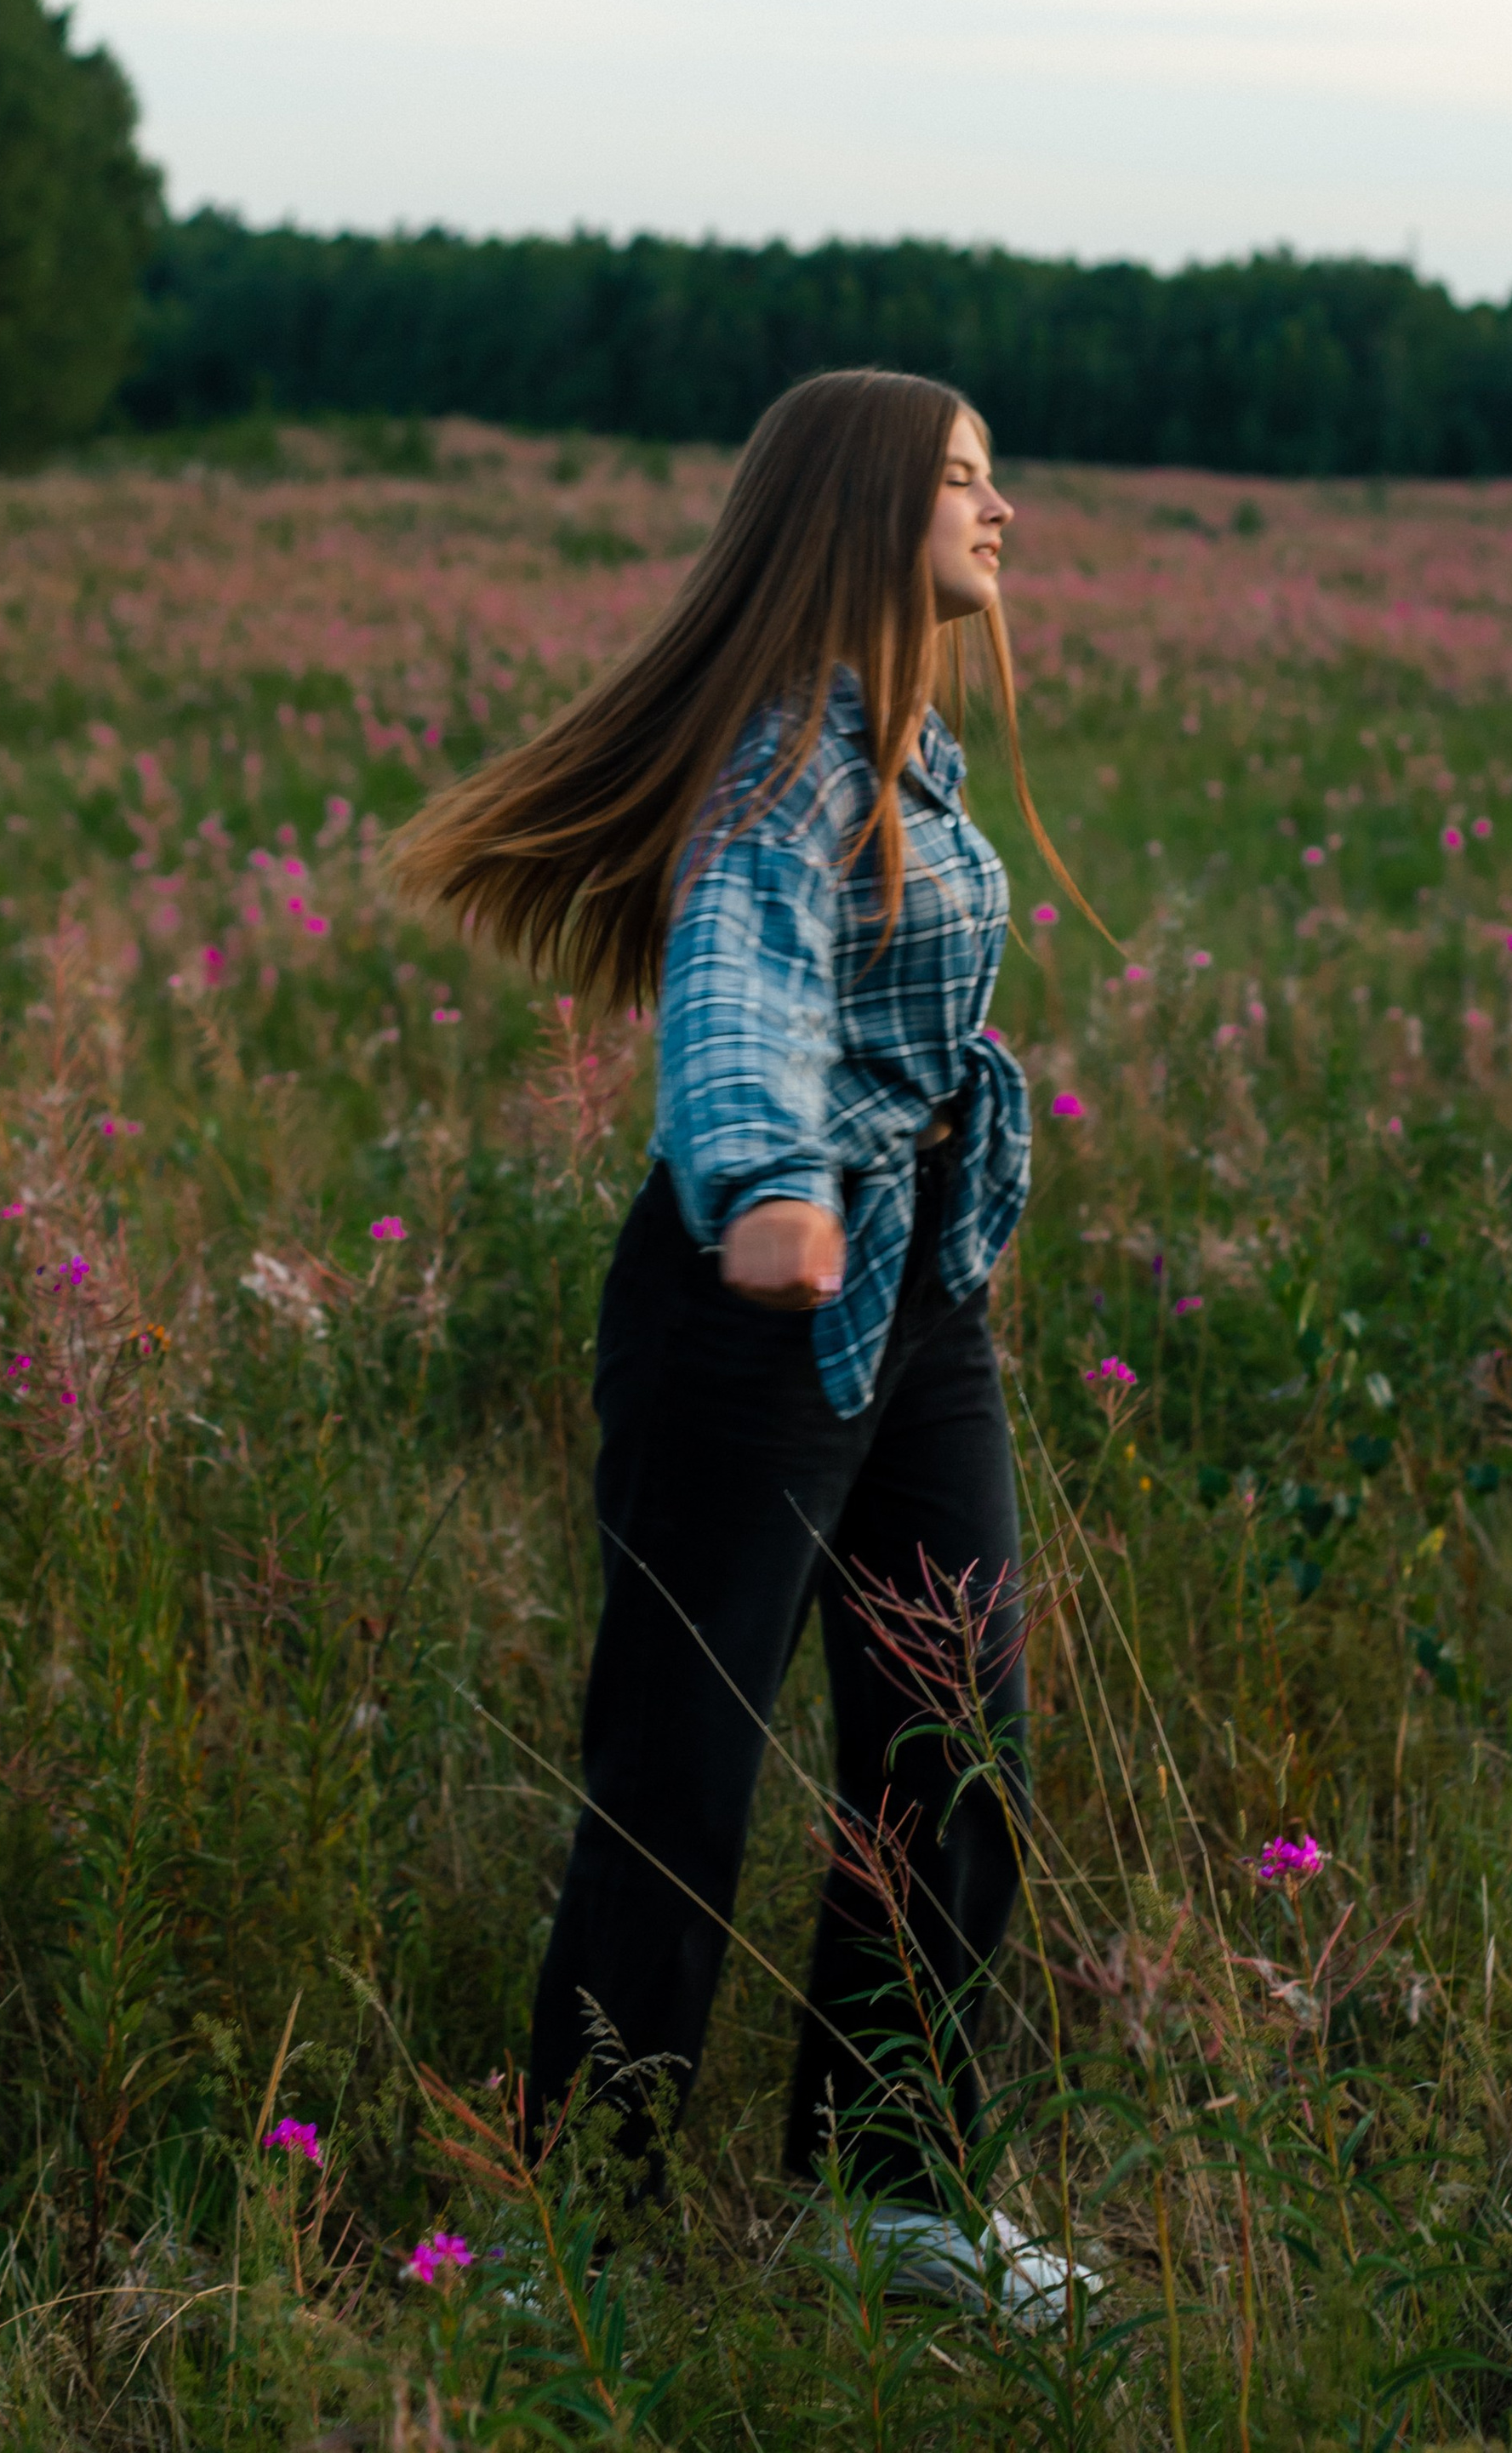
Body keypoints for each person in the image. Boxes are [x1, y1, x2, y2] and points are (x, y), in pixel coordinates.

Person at [390, 368, 1097, 2322]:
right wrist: (767, 1176)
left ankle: (896, 2192)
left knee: (950, 1735)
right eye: (964, 479)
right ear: (869, 509)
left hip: (906, 1302)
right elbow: (737, 981)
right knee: (683, 1766)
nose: (999, 512)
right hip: (752, 1305)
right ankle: (577, 2235)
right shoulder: (789, 760)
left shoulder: (900, 743)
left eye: (995, 475)